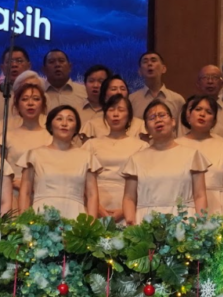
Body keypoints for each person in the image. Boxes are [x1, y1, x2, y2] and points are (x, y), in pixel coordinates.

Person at [121, 100, 210, 223]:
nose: (158, 120)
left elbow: (200, 195)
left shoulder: (192, 155)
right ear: (146, 128)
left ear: (173, 121)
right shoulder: (136, 159)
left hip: (183, 222)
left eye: (162, 115)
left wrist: (201, 224)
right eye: (152, 117)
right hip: (147, 221)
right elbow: (129, 198)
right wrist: (131, 223)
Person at [18, 105, 101, 217]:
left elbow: (92, 195)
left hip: (75, 215)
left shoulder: (87, 157)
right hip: (41, 216)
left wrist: (92, 221)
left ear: (76, 128)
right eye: (59, 119)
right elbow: (25, 192)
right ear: (50, 126)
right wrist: (23, 220)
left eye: (70, 119)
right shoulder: (34, 155)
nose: (64, 123)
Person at [83, 94, 149, 222]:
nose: (116, 114)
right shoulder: (91, 145)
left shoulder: (142, 146)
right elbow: (80, 179)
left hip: (129, 206)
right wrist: (98, 208)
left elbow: (146, 183)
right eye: (111, 109)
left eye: (121, 110)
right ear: (105, 115)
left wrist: (125, 210)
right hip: (94, 205)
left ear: (129, 116)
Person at [176, 95, 223, 214]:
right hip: (186, 207)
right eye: (198, 109)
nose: (202, 114)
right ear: (188, 115)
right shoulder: (176, 146)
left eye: (209, 112)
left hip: (218, 207)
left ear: (214, 121)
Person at [0, 84, 52, 190]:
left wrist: (29, 186)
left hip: (43, 193)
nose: (30, 103)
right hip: (11, 193)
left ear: (43, 105)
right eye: (25, 99)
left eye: (36, 99)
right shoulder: (6, 137)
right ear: (17, 105)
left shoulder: (51, 138)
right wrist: (12, 183)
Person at [184, 65, 223, 146]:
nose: (210, 81)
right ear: (198, 83)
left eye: (215, 77)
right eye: (205, 77)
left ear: (222, 83)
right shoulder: (189, 110)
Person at [81, 75, 145, 142]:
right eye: (113, 89)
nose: (119, 92)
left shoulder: (140, 125)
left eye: (123, 89)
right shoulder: (91, 125)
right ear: (104, 96)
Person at [129, 51, 186, 125]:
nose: (149, 64)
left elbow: (182, 129)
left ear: (163, 68)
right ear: (140, 71)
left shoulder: (178, 100)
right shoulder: (131, 100)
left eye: (153, 60)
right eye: (145, 62)